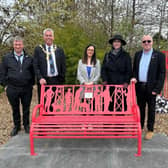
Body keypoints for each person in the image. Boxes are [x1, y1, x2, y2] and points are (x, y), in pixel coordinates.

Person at [132, 35, 165, 140]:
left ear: (152, 42)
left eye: (148, 41)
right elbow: (134, 70)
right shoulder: (137, 54)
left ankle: (150, 130)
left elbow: (162, 73)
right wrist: (134, 78)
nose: (146, 43)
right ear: (142, 43)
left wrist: (157, 89)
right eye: (144, 41)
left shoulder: (159, 55)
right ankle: (140, 127)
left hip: (152, 88)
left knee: (151, 109)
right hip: (140, 86)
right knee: (140, 108)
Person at [0, 36, 35, 136]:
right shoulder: (6, 58)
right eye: (16, 44)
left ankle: (26, 125)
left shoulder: (29, 58)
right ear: (13, 45)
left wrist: (31, 84)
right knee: (15, 108)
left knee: (26, 108)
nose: (18, 46)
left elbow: (33, 73)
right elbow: (2, 73)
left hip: (26, 87)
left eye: (19, 44)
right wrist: (5, 85)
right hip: (12, 88)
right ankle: (17, 126)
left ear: (23, 45)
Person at [33, 28, 66, 102]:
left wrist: (61, 79)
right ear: (43, 37)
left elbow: (63, 65)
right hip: (43, 81)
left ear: (53, 37)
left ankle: (52, 114)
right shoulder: (38, 49)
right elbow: (35, 65)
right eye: (46, 35)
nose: (48, 37)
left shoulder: (59, 49)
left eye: (50, 35)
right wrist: (40, 78)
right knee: (43, 103)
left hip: (56, 80)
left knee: (53, 103)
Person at [101, 34, 132, 111]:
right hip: (109, 84)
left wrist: (126, 82)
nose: (116, 43)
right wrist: (104, 80)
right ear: (112, 43)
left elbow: (129, 70)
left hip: (121, 85)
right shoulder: (107, 55)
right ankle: (108, 122)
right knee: (109, 105)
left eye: (118, 41)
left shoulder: (126, 55)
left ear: (121, 43)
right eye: (115, 41)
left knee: (121, 106)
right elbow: (103, 69)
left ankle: (120, 123)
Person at [77, 44, 101, 111]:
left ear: (94, 52)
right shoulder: (80, 62)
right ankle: (84, 121)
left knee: (92, 107)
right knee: (84, 106)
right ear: (86, 51)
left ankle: (92, 121)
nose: (90, 51)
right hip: (83, 87)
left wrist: (92, 82)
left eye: (92, 50)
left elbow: (98, 74)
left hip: (93, 88)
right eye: (89, 50)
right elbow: (79, 74)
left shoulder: (97, 62)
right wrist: (84, 82)